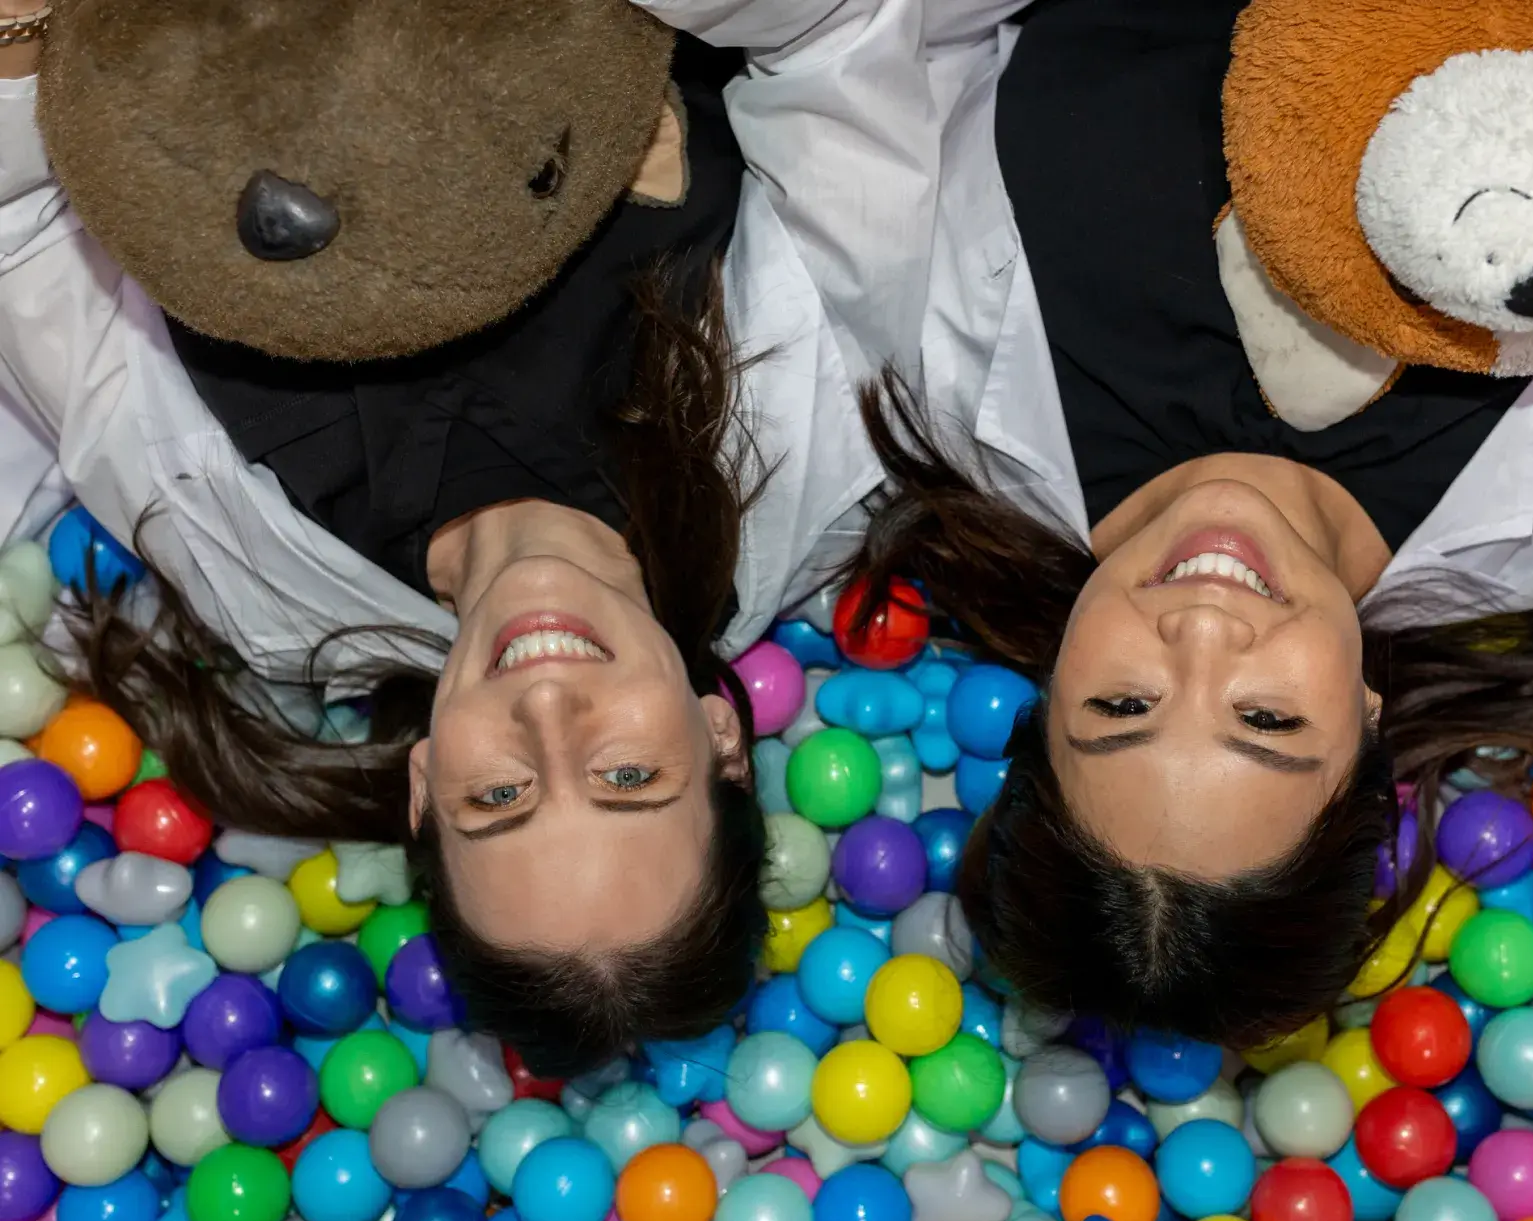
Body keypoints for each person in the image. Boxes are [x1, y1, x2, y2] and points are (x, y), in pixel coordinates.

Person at [0, 0, 1080, 1072]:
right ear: (716, 741)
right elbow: (835, 43)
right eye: (624, 777)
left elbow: (26, 238)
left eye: (498, 797)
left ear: (424, 789)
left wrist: (20, 44)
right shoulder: (821, 436)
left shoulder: (256, 585)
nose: (545, 715)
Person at [841, 0, 1533, 1048]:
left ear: (1046, 693)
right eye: (1266, 721)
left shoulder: (941, 379)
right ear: (1369, 727)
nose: (1199, 636)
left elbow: (891, 45)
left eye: (1123, 700)